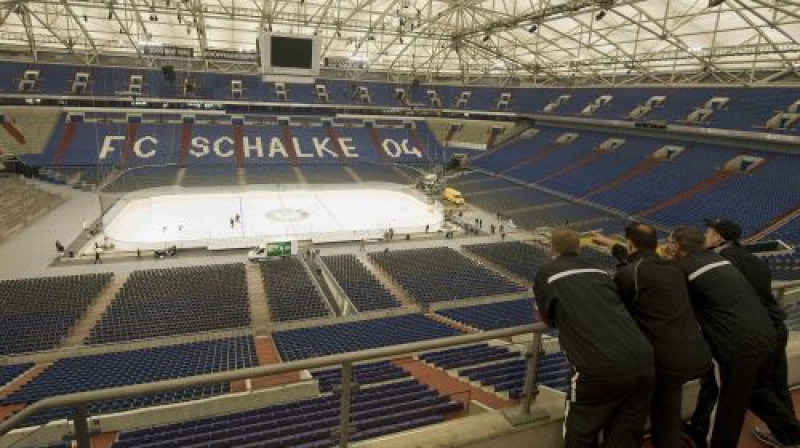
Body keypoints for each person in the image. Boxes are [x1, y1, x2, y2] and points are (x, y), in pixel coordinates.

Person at [593, 224, 712, 448]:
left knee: (637, 419)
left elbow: (618, 310)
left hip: (661, 361)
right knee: (668, 415)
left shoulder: (630, 274)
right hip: (693, 354)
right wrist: (610, 243)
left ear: (630, 244)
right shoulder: (674, 268)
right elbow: (634, 260)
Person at [684, 219, 800, 447]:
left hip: (745, 335)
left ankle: (701, 433)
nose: (705, 235)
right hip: (773, 329)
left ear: (719, 238)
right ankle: (789, 434)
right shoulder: (751, 259)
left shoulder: (719, 261)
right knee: (768, 388)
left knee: (721, 391)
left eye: (709, 232)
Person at [535, 229, 654, 447]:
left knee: (580, 433)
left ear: (551, 249)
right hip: (643, 361)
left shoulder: (546, 273)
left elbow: (548, 318)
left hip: (597, 368)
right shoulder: (599, 270)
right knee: (625, 436)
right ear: (579, 248)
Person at [669, 226, 776, 448]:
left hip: (736, 345)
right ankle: (789, 431)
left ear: (676, 246)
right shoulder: (719, 260)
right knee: (748, 394)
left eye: (669, 242)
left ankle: (712, 442)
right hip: (765, 334)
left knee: (724, 401)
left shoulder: (684, 268)